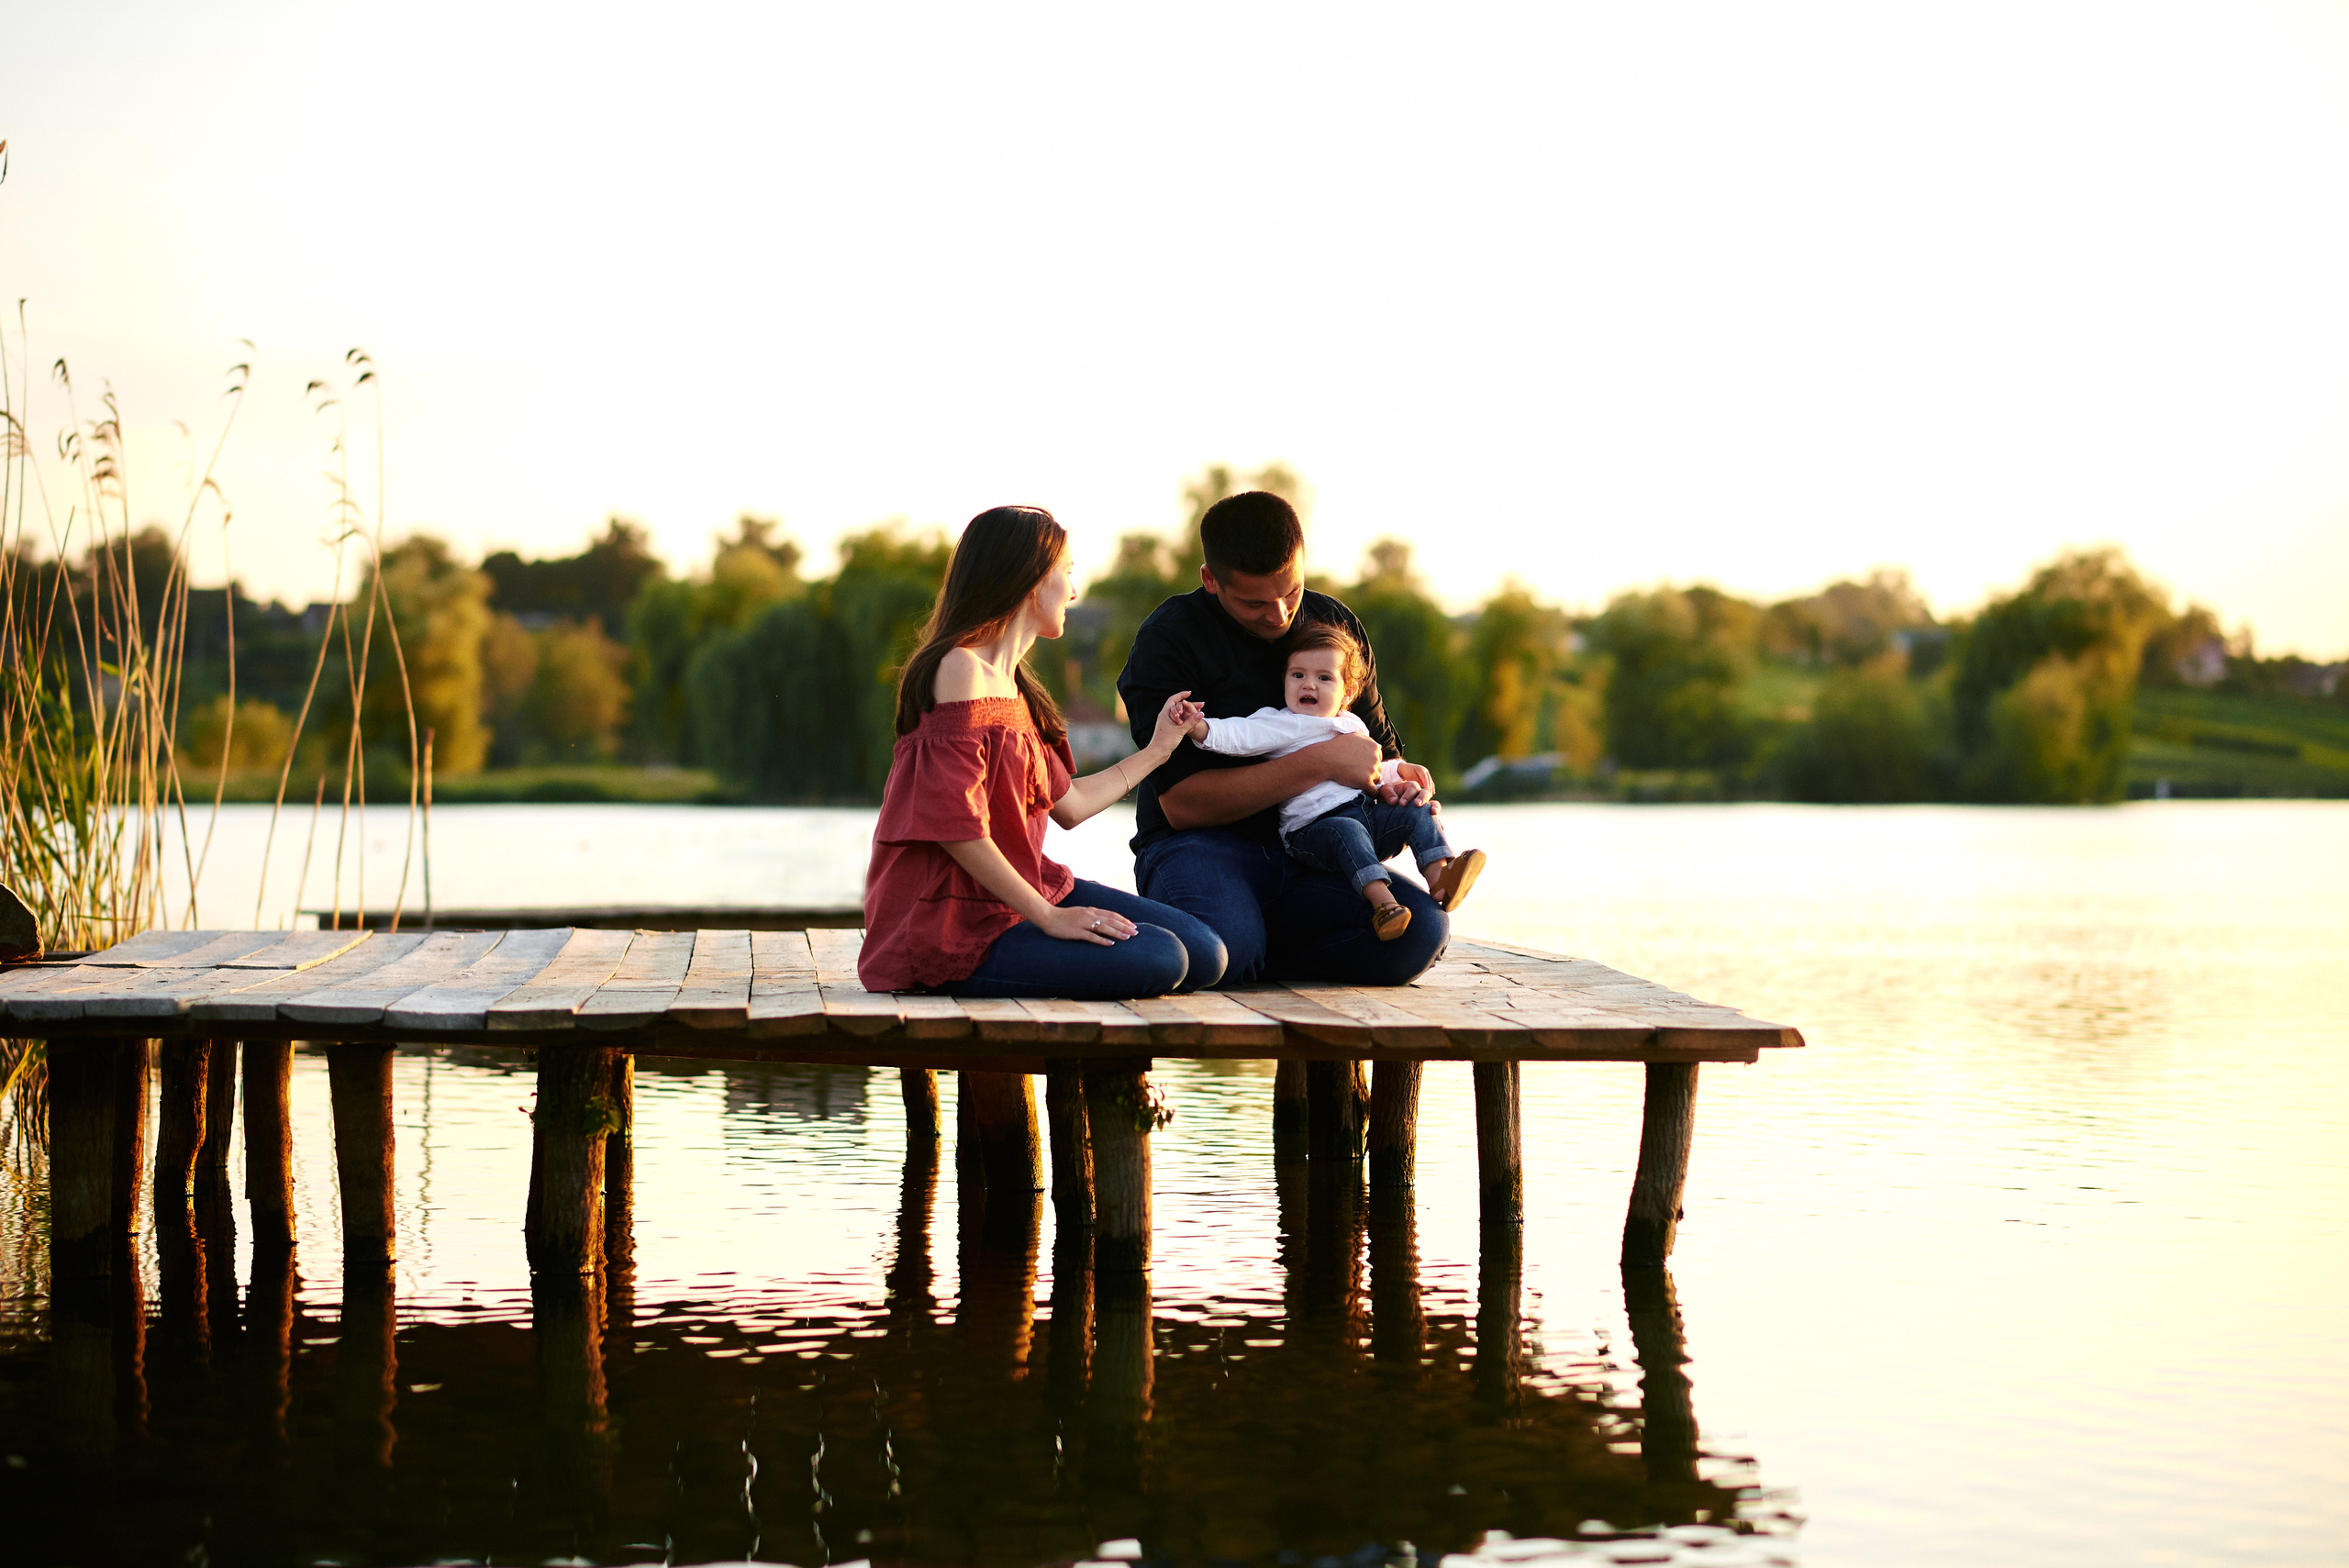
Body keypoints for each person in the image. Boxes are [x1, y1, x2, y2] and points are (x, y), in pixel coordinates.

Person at [860, 506, 1226, 999]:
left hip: (1021, 893)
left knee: (1205, 952)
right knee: (1162, 958)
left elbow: (1069, 805)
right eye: (1067, 573)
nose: (1074, 591)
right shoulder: (959, 670)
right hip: (951, 918)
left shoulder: (1015, 689)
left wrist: (1160, 749)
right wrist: (1049, 917)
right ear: (1032, 580)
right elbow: (954, 826)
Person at [1117, 490, 1450, 985]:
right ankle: (1239, 947)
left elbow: (1376, 754)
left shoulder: (1335, 626)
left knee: (1423, 931)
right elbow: (1183, 806)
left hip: (1315, 848)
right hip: (1199, 846)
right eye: (1254, 603)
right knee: (1230, 947)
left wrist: (1403, 785)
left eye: (1290, 592)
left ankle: (1256, 956)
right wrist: (1321, 763)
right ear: (1211, 580)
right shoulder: (1169, 640)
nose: (1279, 615)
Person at [1186, 617, 1486, 941]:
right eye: (1297, 675)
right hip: (1310, 833)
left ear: (1349, 692)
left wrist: (1399, 771)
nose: (1308, 685)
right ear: (1284, 679)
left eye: (1324, 677)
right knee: (1348, 829)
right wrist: (1199, 727)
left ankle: (1439, 876)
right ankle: (1384, 905)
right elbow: (1239, 736)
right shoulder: (1282, 723)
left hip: (1363, 815)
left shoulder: (1353, 724)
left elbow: (1369, 771)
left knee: (1415, 810)